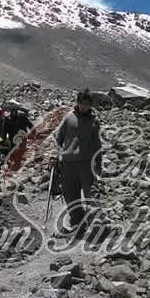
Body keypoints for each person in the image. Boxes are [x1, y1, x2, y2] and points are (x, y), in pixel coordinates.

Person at [54, 89, 102, 232]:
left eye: (86, 104)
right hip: (67, 163)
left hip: (86, 163)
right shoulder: (69, 118)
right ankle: (77, 222)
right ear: (77, 102)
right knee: (70, 195)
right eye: (81, 103)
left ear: (90, 105)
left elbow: (97, 145)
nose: (83, 106)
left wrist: (98, 164)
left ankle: (96, 224)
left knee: (91, 193)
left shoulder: (94, 121)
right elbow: (59, 138)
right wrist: (54, 156)